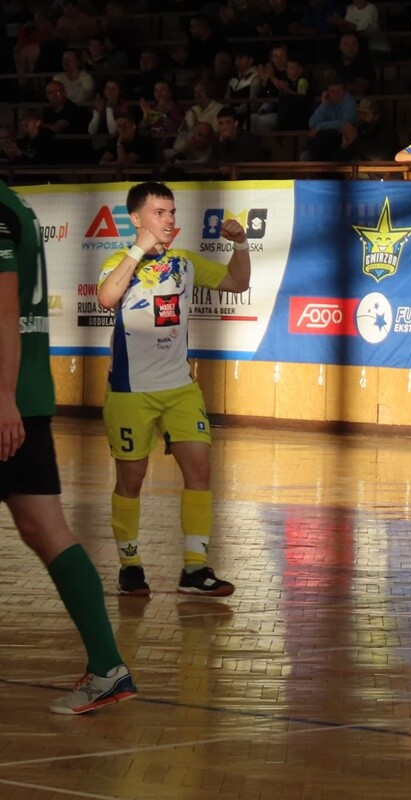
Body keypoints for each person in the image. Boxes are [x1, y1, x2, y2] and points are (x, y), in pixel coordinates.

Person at [0, 180, 138, 714]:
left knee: (47, 529)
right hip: (24, 395)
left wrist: (2, 397)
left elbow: (4, 309)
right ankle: (108, 667)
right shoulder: (15, 205)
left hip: (10, 398)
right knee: (44, 528)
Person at [96, 182, 248, 598]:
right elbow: (107, 298)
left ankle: (195, 570)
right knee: (131, 480)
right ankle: (130, 564)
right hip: (131, 393)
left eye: (172, 212)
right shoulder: (117, 261)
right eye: (160, 212)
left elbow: (237, 283)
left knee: (199, 472)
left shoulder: (184, 261)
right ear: (137, 219)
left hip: (181, 388)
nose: (169, 220)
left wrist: (242, 244)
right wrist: (137, 251)